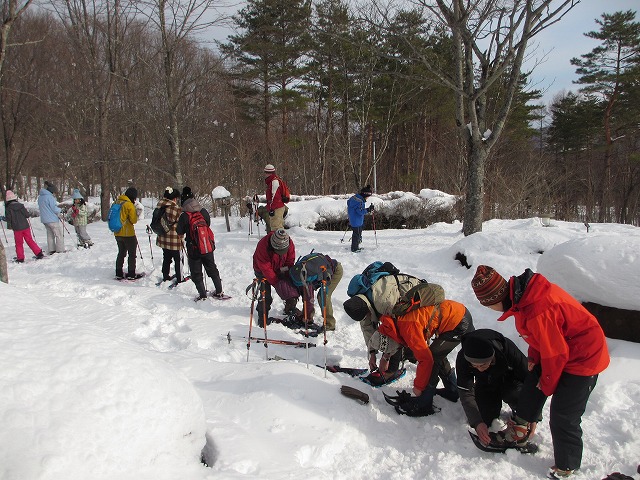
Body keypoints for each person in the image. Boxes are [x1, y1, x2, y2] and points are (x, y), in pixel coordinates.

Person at [471, 265, 610, 479]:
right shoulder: (522, 301)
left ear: (496, 297)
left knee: (563, 414)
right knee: (532, 385)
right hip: (563, 348)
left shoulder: (537, 308)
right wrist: (534, 359)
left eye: (488, 305)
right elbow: (537, 337)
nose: (490, 309)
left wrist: (546, 384)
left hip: (584, 357)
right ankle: (519, 432)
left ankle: (567, 466)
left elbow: (556, 354)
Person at [372, 299, 474, 415]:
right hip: (455, 312)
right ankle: (452, 390)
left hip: (458, 321)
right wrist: (385, 357)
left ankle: (424, 403)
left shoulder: (408, 328)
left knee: (432, 357)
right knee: (436, 352)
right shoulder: (390, 325)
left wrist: (419, 387)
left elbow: (426, 360)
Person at [343, 270, 424, 385]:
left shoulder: (383, 302)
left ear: (367, 308)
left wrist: (386, 358)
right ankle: (406, 355)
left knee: (403, 333)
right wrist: (372, 354)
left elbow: (396, 332)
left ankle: (392, 370)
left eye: (367, 315)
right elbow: (367, 328)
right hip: (396, 302)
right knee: (394, 336)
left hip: (417, 296)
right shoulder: (361, 303)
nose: (367, 317)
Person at [456, 328, 530, 447]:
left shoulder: (507, 349)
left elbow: (530, 380)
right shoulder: (463, 358)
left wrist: (532, 416)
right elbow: (465, 391)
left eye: (484, 364)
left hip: (510, 383)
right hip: (486, 384)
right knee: (484, 417)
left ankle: (519, 415)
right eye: (474, 366)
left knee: (512, 392)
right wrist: (477, 422)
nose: (479, 368)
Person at [176, 187, 223, 300]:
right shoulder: (203, 211)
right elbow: (207, 224)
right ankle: (219, 291)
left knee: (196, 272)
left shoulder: (184, 216)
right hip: (207, 245)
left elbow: (179, 231)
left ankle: (202, 295)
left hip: (193, 248)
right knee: (212, 268)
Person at [252, 228, 299, 327]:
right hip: (262, 270)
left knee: (291, 290)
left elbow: (290, 261)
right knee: (266, 295)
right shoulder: (263, 246)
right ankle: (262, 318)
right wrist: (278, 284)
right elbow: (266, 269)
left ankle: (289, 309)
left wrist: (286, 280)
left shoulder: (289, 242)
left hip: (280, 267)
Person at [289, 253, 343, 331]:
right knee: (307, 292)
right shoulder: (299, 269)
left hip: (334, 271)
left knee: (323, 296)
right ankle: (307, 316)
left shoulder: (313, 272)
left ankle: (330, 324)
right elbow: (307, 294)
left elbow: (325, 285)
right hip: (319, 270)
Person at [4, 190, 44, 262]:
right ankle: (39, 253)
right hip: (25, 226)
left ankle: (20, 258)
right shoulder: (21, 205)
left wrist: (3, 218)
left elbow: (8, 219)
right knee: (29, 240)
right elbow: (27, 215)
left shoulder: (8, 208)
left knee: (19, 243)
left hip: (17, 228)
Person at [155, 187, 184, 283]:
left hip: (162, 237)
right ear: (174, 198)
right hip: (174, 239)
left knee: (166, 257)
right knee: (178, 259)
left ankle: (165, 275)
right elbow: (181, 222)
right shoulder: (175, 208)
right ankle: (180, 278)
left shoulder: (159, 205)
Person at [113, 187, 142, 280]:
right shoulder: (129, 205)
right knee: (132, 254)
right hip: (128, 234)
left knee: (121, 252)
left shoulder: (116, 202)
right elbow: (133, 220)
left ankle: (118, 272)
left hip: (117, 232)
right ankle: (131, 273)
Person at [37, 180, 65, 254]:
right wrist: (60, 210)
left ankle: (51, 249)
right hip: (52, 219)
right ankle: (60, 249)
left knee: (50, 235)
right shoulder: (50, 197)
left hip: (44, 219)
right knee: (58, 234)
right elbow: (54, 208)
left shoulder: (40, 197)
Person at [347, 185, 374, 252]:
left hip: (353, 219)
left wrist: (367, 209)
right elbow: (360, 212)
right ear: (365, 195)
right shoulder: (359, 202)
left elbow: (354, 207)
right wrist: (368, 210)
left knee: (357, 233)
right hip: (357, 221)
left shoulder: (355, 198)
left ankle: (356, 244)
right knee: (356, 234)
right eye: (368, 197)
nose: (368, 198)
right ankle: (354, 248)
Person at [263, 164, 287, 231]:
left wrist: (271, 209)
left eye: (265, 172)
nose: (265, 174)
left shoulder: (274, 182)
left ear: (268, 173)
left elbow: (275, 197)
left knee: (276, 227)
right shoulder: (272, 181)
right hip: (277, 206)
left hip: (277, 207)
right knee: (276, 226)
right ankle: (278, 240)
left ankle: (278, 241)